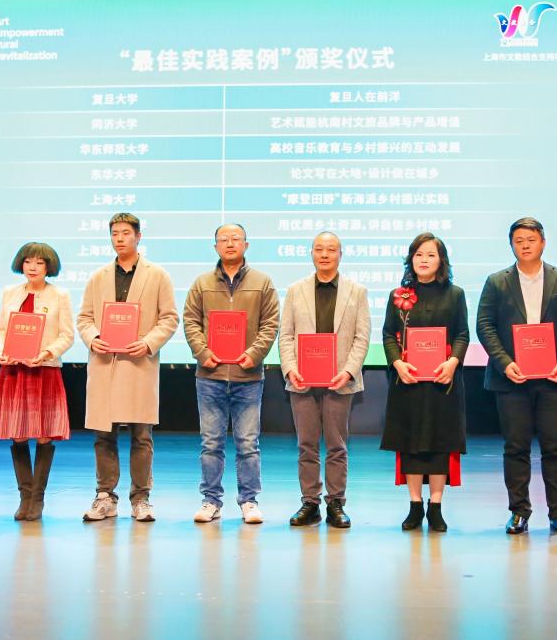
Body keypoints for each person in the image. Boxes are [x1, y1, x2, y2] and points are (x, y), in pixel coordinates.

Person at [477, 217, 557, 536]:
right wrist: (504, 363)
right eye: (519, 241)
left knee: (555, 447)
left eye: (531, 239)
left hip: (554, 377)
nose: (525, 245)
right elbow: (485, 325)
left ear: (543, 242)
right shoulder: (496, 281)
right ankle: (518, 511)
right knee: (516, 447)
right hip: (512, 379)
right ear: (512, 245)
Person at [76, 213, 179, 523]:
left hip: (138, 364)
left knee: (141, 435)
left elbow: (169, 318)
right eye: (115, 233)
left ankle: (141, 498)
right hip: (105, 363)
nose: (119, 238)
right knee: (103, 435)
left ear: (138, 236)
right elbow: (84, 318)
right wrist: (93, 338)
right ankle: (105, 496)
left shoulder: (157, 275)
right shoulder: (98, 276)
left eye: (125, 233)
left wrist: (148, 342)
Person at [182, 224, 280, 525]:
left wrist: (254, 354)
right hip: (209, 375)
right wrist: (203, 353)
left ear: (246, 245)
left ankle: (249, 501)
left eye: (235, 239)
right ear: (215, 247)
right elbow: (190, 321)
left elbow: (270, 323)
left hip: (247, 376)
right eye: (223, 239)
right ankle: (211, 501)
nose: (229, 243)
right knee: (210, 443)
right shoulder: (201, 283)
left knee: (248, 443)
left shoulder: (262, 282)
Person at [379, 232, 468, 532]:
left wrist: (452, 362)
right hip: (409, 381)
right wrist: (398, 363)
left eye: (431, 254)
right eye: (419, 254)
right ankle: (415, 505)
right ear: (411, 259)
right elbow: (388, 334)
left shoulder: (455, 294)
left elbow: (462, 334)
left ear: (441, 260)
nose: (424, 260)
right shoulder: (398, 295)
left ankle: (436, 507)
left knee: (441, 443)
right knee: (411, 443)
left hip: (444, 381)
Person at [279, 231, 370, 528]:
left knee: (336, 446)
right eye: (319, 249)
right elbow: (286, 335)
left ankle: (336, 503)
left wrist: (349, 371)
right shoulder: (295, 290)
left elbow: (362, 337)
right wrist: (290, 368)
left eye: (331, 249)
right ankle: (310, 502)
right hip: (302, 380)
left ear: (341, 254)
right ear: (311, 253)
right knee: (306, 445)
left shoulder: (357, 291)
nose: (325, 254)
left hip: (339, 380)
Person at [0, 242, 75, 521]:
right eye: (28, 262)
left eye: (39, 262)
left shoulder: (59, 295)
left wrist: (47, 353)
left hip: (44, 370)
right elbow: (0, 331)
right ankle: (24, 497)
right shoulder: (10, 293)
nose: (33, 267)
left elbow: (67, 335)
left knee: (44, 434)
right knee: (18, 433)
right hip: (14, 371)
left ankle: (37, 498)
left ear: (49, 267)